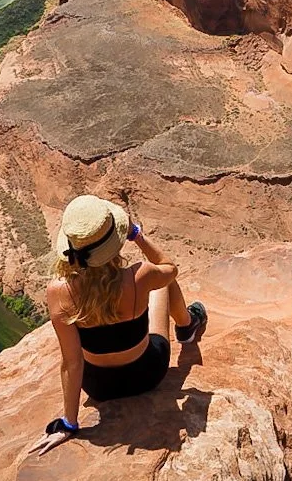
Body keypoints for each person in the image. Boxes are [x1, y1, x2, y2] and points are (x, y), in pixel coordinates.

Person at [30, 195, 207, 455]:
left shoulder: (58, 292)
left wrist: (69, 423)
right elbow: (170, 268)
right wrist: (137, 235)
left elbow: (72, 362)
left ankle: (187, 325)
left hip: (99, 387)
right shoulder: (140, 275)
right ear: (114, 243)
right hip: (147, 375)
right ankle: (187, 326)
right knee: (163, 283)